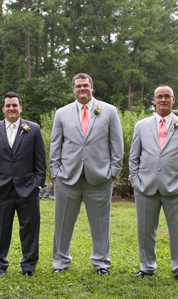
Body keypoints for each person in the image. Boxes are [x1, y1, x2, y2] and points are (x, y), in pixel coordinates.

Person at [50, 73, 123, 275]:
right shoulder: (62, 113)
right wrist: (56, 172)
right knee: (63, 222)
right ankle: (60, 262)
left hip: (99, 177)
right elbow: (56, 144)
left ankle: (101, 263)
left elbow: (116, 143)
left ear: (92, 87)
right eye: (78, 86)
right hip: (68, 177)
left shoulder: (109, 111)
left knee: (100, 222)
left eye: (85, 85)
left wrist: (113, 172)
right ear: (73, 89)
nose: (82, 89)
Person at [129, 85, 178, 283]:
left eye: (167, 96)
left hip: (175, 187)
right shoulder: (141, 126)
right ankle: (147, 266)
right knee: (145, 230)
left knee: (177, 230)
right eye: (160, 97)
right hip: (145, 187)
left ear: (173, 100)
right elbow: (134, 157)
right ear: (154, 100)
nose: (163, 100)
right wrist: (135, 181)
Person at [0, 92, 46, 276]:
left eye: (14, 105)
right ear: (3, 108)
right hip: (1, 189)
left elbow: (40, 160)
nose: (11, 108)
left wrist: (37, 184)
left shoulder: (33, 129)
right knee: (0, 229)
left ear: (21, 108)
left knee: (30, 228)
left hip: (28, 188)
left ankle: (28, 266)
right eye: (8, 105)